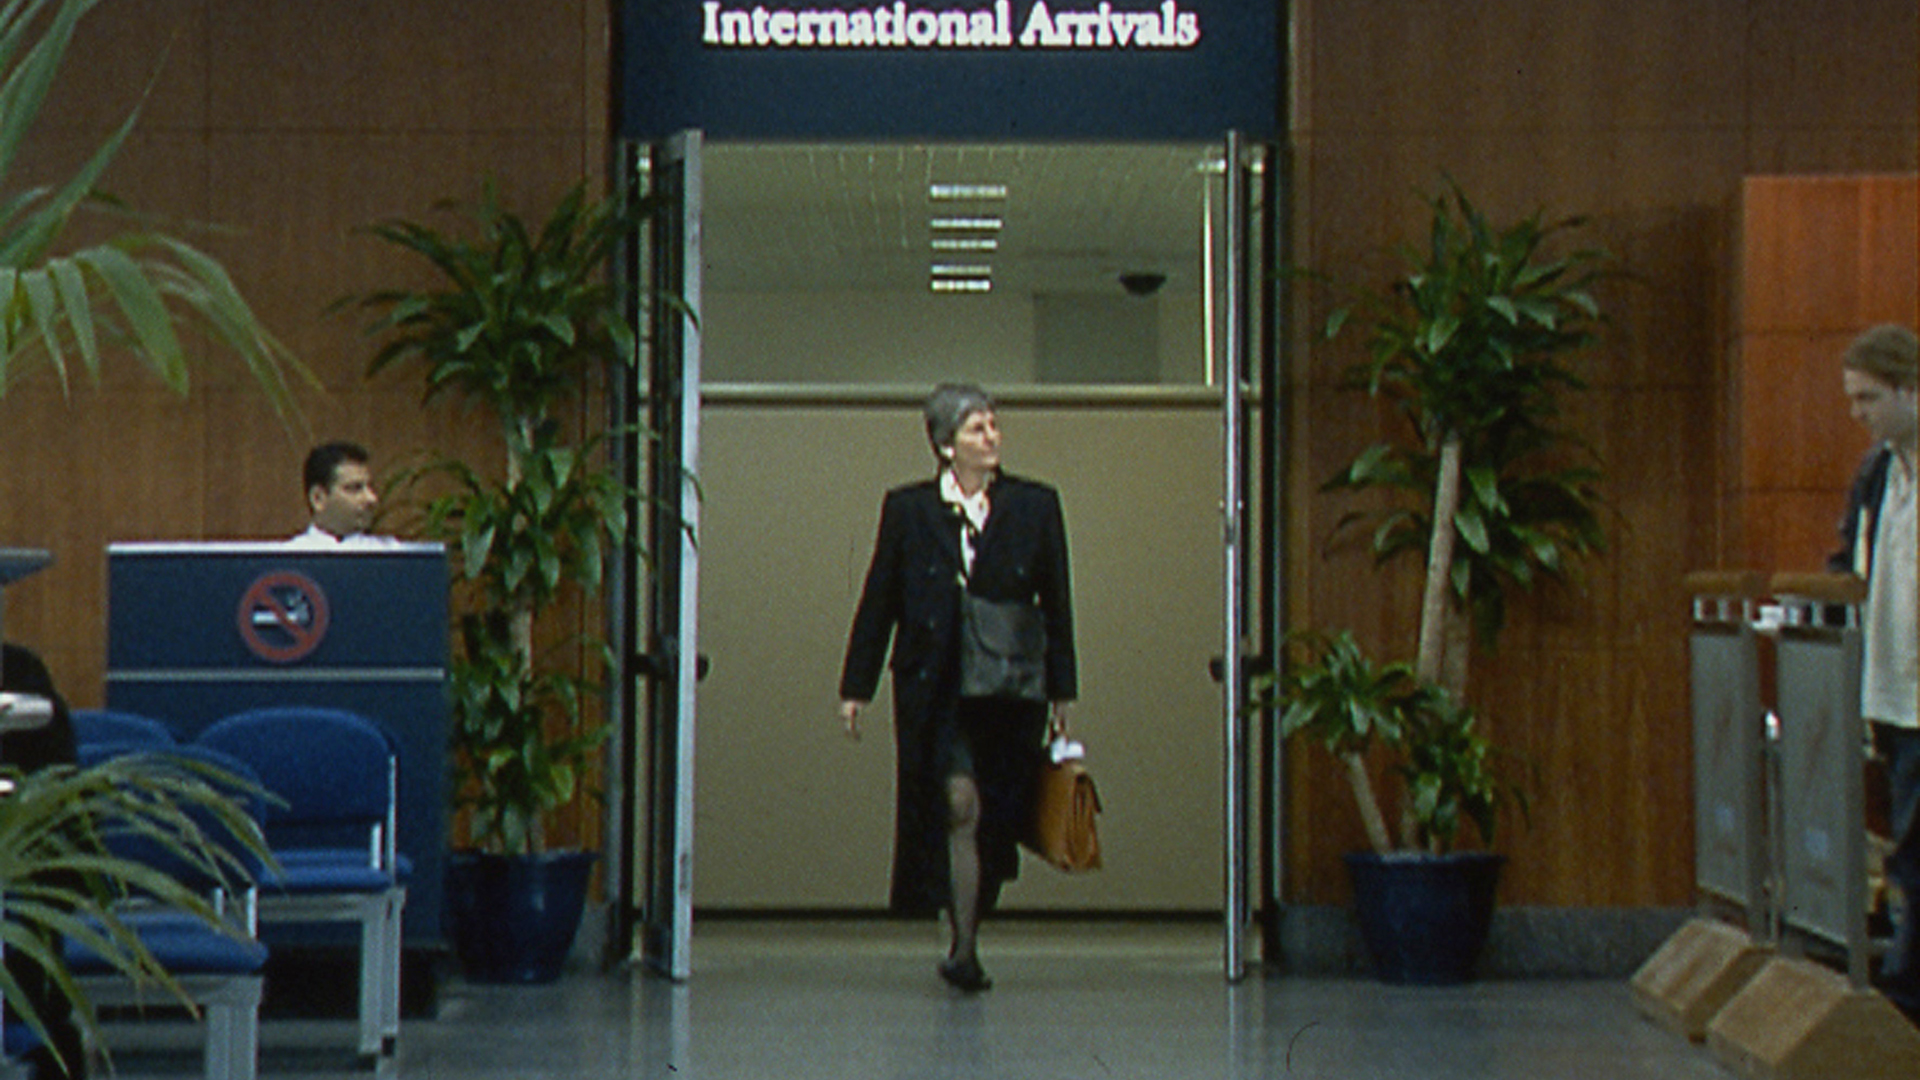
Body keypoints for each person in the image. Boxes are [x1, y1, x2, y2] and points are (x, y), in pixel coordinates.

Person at [839, 384, 1077, 993]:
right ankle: (963, 947)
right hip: (936, 685)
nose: (991, 437)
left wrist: (1062, 693)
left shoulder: (1034, 506)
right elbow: (881, 598)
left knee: (992, 813)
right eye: (977, 429)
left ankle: (968, 920)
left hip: (1007, 685)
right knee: (957, 803)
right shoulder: (909, 510)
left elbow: (1058, 603)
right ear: (946, 445)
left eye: (994, 426)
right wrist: (856, 684)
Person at [1828, 323, 1918, 1015]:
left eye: (1868, 397)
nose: (1856, 413)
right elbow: (1849, 561)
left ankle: (1905, 989)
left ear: (1910, 390)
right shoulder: (1879, 471)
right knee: (1903, 842)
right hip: (1888, 688)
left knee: (1914, 850)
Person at [288, 441, 397, 548]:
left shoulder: (393, 556)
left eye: (371, 488)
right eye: (355, 488)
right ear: (318, 498)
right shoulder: (289, 558)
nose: (372, 498)